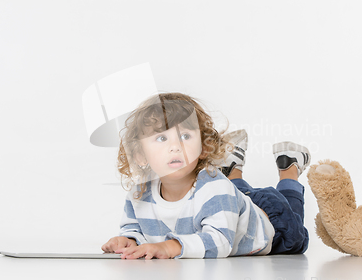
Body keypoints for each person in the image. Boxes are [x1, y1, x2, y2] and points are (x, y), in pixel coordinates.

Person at [101, 92, 309, 259]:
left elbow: (220, 241)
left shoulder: (214, 188)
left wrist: (171, 247)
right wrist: (129, 240)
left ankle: (289, 167)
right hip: (231, 201)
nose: (175, 146)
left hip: (272, 223)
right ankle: (232, 166)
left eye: (185, 136)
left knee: (295, 226)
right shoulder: (140, 193)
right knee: (231, 189)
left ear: (203, 147)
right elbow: (134, 228)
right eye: (162, 137)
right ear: (140, 155)